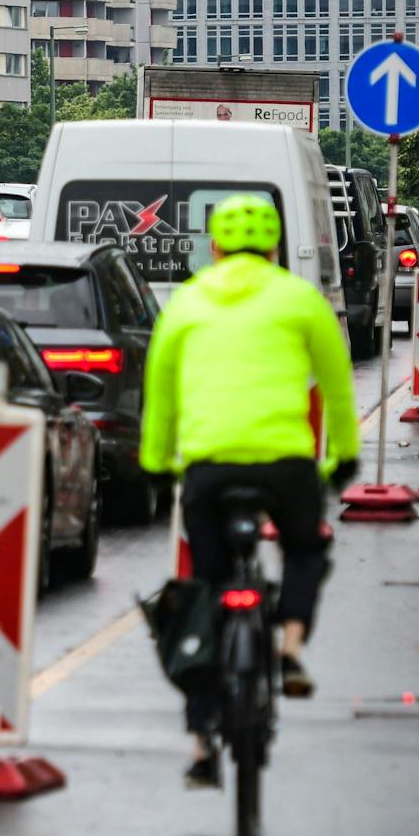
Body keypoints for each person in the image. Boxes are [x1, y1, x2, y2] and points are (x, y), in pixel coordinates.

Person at [139, 195, 361, 789]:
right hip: (285, 464)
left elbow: (159, 396)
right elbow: (337, 388)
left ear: (213, 246)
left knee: (206, 590)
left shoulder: (186, 303)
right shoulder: (300, 299)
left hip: (208, 468)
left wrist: (158, 465)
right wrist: (341, 459)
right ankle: (288, 643)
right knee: (306, 547)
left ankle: (202, 739)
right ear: (273, 248)